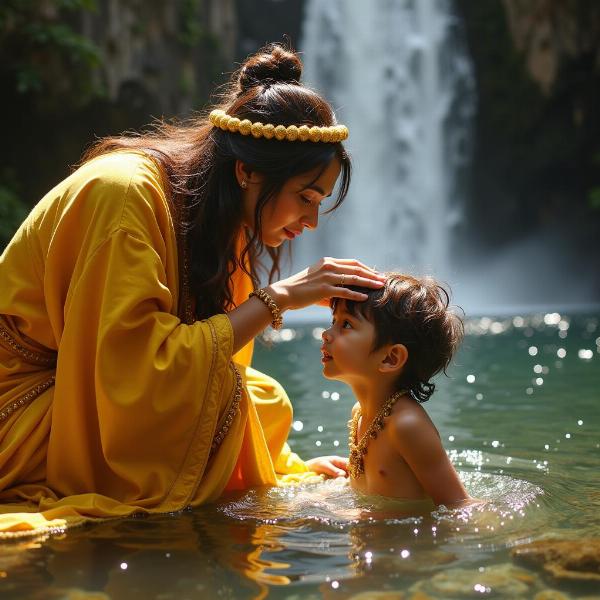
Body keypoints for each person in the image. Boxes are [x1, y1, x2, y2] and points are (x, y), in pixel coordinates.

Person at [0, 43, 387, 536]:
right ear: (245, 171)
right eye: (305, 198)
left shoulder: (218, 219)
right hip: (23, 407)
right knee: (227, 396)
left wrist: (279, 464)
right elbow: (132, 371)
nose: (311, 222)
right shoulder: (125, 196)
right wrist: (278, 299)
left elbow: (217, 360)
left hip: (96, 388)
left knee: (262, 398)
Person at [320, 272, 471, 506]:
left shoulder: (407, 425)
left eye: (346, 324)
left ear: (390, 358)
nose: (326, 334)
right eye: (333, 321)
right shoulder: (360, 413)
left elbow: (460, 505)